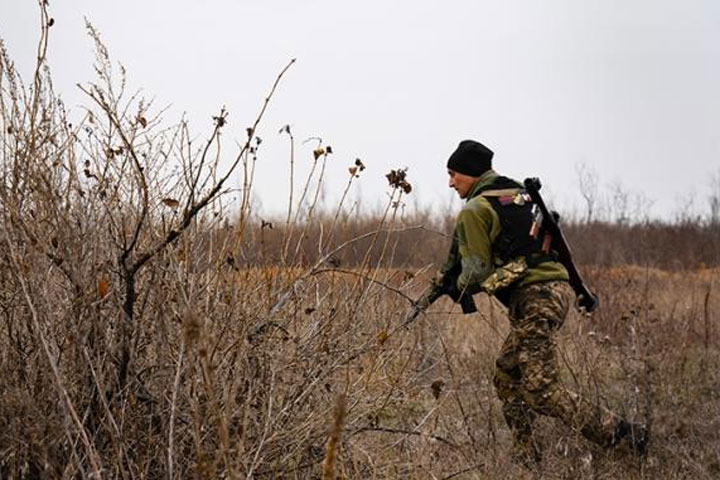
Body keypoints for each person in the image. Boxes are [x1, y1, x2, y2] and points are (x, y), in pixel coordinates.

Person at [440, 139, 648, 465]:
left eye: (454, 174)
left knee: (541, 391)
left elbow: (476, 273)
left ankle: (625, 436)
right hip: (551, 293)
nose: (451, 183)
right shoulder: (515, 196)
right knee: (506, 375)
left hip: (537, 298)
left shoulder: (476, 209)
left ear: (470, 173)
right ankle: (528, 459)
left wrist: (457, 287)